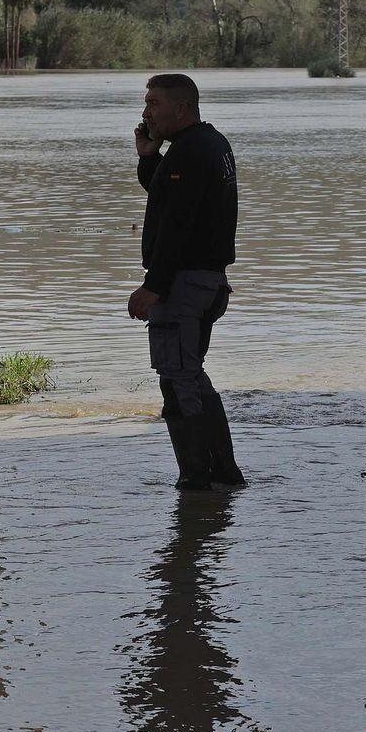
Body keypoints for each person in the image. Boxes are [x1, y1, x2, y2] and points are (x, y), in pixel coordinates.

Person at [128, 73, 243, 490]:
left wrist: (153, 286)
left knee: (178, 382)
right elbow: (169, 198)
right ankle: (223, 476)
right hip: (206, 283)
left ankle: (198, 483)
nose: (146, 113)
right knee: (191, 375)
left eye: (154, 104)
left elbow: (177, 225)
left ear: (182, 108)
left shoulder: (191, 151)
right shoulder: (207, 145)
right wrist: (149, 157)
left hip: (184, 287)